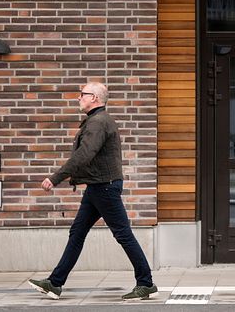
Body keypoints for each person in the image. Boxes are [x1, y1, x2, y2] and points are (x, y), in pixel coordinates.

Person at [28, 82, 157, 301]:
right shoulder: (97, 121)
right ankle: (55, 283)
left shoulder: (98, 122)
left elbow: (84, 155)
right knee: (77, 233)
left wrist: (55, 177)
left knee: (123, 234)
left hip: (103, 187)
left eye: (82, 94)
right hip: (97, 187)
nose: (78, 98)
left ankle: (145, 283)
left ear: (94, 98)